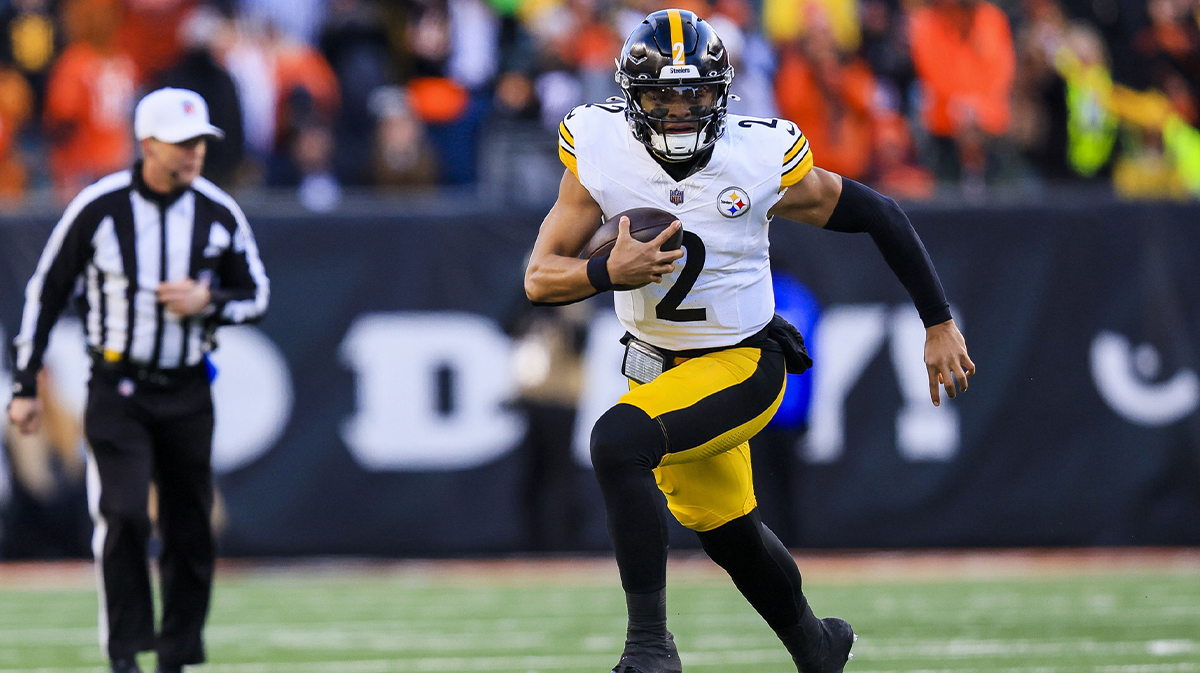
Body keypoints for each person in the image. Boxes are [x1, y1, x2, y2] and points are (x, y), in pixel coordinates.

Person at [524, 10, 975, 673]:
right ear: (630, 98)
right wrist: (604, 272)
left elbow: (879, 211)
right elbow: (540, 276)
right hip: (657, 368)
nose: (678, 113)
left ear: (722, 93)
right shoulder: (598, 147)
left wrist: (937, 320)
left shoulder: (757, 156)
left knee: (618, 441)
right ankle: (818, 646)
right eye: (661, 96)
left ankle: (650, 650)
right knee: (729, 533)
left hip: (742, 362)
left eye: (694, 94)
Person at [6, 87, 270, 673]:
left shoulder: (218, 211)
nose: (195, 152)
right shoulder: (99, 208)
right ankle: (125, 653)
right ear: (147, 144)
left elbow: (257, 295)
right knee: (123, 514)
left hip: (186, 387)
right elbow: (46, 291)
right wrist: (25, 383)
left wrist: (209, 300)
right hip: (118, 387)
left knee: (189, 526)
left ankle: (177, 654)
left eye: (200, 141)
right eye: (182, 143)